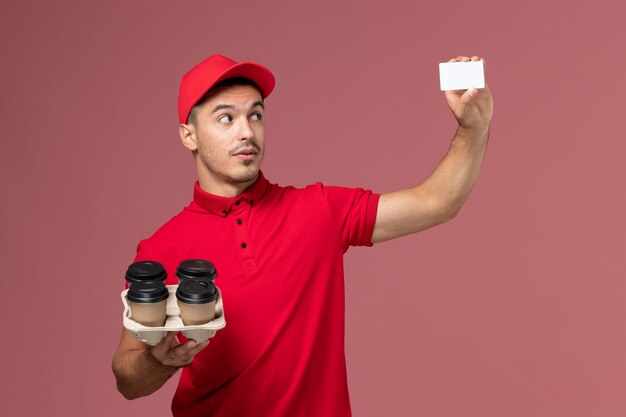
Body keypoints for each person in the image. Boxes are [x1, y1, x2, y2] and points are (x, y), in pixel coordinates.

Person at [112, 53, 493, 416]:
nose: (247, 131)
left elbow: (438, 201)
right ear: (188, 135)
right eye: (225, 119)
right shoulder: (163, 246)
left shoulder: (318, 210)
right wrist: (156, 360)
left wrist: (473, 127)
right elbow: (127, 377)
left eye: (255, 115)